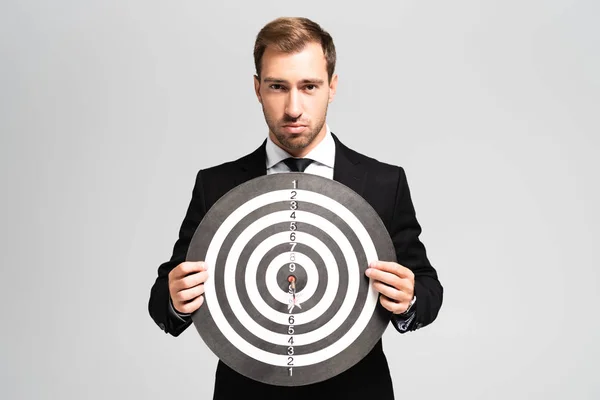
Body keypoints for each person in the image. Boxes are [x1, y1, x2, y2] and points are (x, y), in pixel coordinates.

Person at [148, 16, 443, 400]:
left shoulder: (384, 183)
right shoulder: (216, 185)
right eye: (277, 87)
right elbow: (164, 298)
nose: (293, 108)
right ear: (257, 88)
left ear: (332, 87)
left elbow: (427, 287)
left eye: (309, 86)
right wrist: (174, 299)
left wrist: (410, 300)